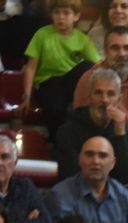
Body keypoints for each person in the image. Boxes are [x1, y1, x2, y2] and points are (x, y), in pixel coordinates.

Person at [75, 26, 128, 182]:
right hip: (94, 151)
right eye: (115, 48)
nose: (122, 54)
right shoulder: (89, 79)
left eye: (127, 48)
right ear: (106, 52)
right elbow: (80, 126)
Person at [23, 0, 102, 137]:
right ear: (51, 15)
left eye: (66, 13)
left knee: (88, 66)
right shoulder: (42, 34)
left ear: (76, 16)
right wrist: (26, 96)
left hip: (71, 84)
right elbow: (31, 68)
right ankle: (57, 143)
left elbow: (99, 64)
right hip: (47, 83)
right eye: (57, 13)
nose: (61, 17)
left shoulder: (82, 39)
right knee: (57, 109)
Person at [56, 67, 128, 186]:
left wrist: (120, 135)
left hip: (116, 199)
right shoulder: (68, 131)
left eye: (111, 94)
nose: (104, 100)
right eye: (98, 93)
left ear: (119, 99)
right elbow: (69, 175)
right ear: (89, 96)